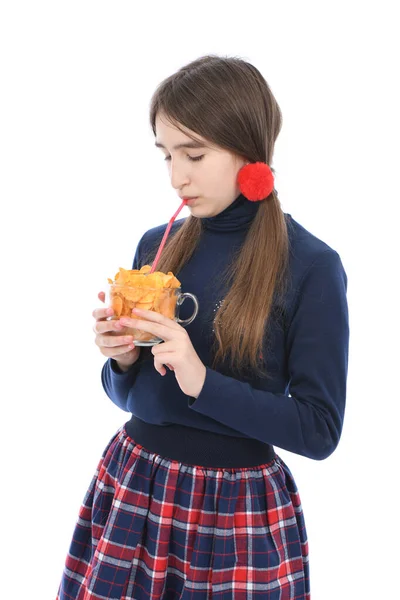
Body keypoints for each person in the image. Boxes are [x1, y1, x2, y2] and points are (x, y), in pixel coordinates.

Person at [56, 54, 349, 600]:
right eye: (166, 154)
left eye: (194, 153)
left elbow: (319, 430)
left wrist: (201, 379)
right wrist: (121, 359)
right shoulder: (157, 245)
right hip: (134, 486)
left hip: (235, 516)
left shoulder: (311, 266)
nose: (176, 176)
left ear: (249, 150)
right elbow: (133, 396)